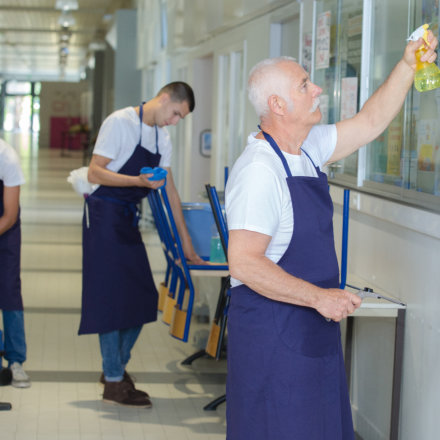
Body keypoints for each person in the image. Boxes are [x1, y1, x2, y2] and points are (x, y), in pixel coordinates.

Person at [225, 34, 438, 439]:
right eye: (305, 84)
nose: (317, 88)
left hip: (311, 330)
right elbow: (244, 262)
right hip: (274, 336)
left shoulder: (306, 149)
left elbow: (371, 122)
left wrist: (409, 65)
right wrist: (319, 297)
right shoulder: (260, 171)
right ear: (278, 105)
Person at [78, 81, 205, 408]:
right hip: (103, 215)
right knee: (110, 302)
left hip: (127, 218)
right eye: (176, 113)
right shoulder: (119, 122)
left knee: (142, 299)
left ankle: (114, 370)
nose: (175, 121)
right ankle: (114, 382)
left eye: (181, 117)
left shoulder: (162, 137)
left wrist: (187, 245)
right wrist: (137, 181)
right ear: (164, 99)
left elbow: (171, 193)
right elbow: (95, 173)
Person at [0, 138, 31, 389]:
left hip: (5, 232)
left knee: (9, 290)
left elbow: (9, 216)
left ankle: (16, 360)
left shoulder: (6, 157)